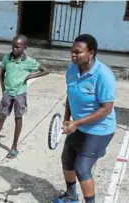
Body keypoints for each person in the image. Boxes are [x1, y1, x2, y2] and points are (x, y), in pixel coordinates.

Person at [52, 34, 117, 203]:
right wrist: (67, 118)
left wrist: (77, 122)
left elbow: (106, 109)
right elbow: (70, 95)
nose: (73, 55)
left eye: (78, 52)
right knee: (67, 162)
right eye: (72, 51)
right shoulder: (72, 69)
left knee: (82, 169)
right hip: (77, 125)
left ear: (91, 53)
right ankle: (71, 196)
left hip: (99, 129)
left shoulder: (104, 75)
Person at [0, 35, 49, 159]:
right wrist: (3, 90)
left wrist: (30, 76)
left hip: (20, 94)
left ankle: (14, 147)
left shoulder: (29, 61)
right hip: (7, 93)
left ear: (24, 48)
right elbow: (2, 74)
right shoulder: (7, 58)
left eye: (17, 47)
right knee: (1, 117)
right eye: (13, 46)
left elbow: (46, 70)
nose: (14, 49)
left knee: (18, 118)